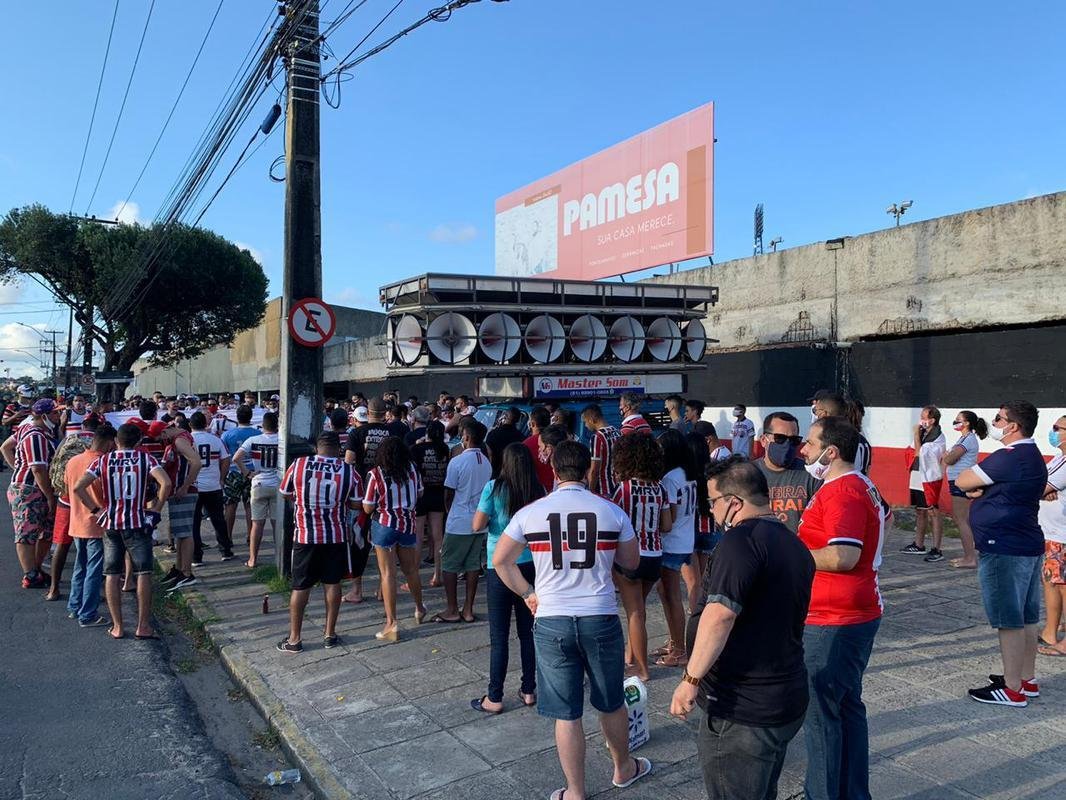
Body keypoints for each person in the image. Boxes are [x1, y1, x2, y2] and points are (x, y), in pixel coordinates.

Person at [494, 439, 650, 798]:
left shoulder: (531, 513)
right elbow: (631, 563)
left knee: (566, 712)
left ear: (553, 469)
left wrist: (527, 593)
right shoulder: (612, 512)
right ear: (588, 470)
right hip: (599, 614)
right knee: (610, 700)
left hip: (552, 618)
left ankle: (575, 790)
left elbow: (501, 560)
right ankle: (623, 768)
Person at [670, 457, 815, 800]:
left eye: (712, 503)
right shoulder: (793, 544)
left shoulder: (740, 542)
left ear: (733, 503)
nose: (712, 512)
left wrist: (690, 680)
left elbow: (720, 615)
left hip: (743, 709)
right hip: (784, 696)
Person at [798, 416, 885, 800]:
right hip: (847, 613)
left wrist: (791, 553)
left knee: (821, 718)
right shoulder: (854, 485)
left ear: (830, 452)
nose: (803, 450)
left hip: (834, 618)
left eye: (809, 443)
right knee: (845, 708)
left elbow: (843, 555)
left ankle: (824, 793)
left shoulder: (842, 492)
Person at [955, 401, 1047, 706]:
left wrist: (979, 489)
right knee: (1027, 616)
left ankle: (1011, 689)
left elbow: (963, 479)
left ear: (1013, 426)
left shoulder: (1010, 456)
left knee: (1009, 619)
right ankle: (1025, 678)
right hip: (1025, 541)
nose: (994, 422)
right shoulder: (1032, 456)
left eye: (999, 418)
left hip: (1004, 545)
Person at [73, 423, 171, 640]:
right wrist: (156, 509)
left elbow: (78, 487)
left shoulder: (103, 460)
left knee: (112, 574)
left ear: (116, 441)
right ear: (139, 442)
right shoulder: (146, 459)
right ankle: (143, 626)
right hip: (137, 521)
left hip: (112, 523)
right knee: (144, 572)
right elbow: (166, 482)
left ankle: (118, 626)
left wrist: (96, 510)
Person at [470, 443, 545, 713]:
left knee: (499, 635)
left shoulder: (494, 488)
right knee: (528, 632)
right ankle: (529, 689)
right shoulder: (538, 490)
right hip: (529, 565)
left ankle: (495, 696)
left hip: (499, 565)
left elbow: (477, 525)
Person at [276, 432, 363, 654]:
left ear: (317, 448)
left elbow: (285, 492)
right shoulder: (349, 471)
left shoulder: (299, 464)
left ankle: (294, 639)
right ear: (339, 449)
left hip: (305, 535)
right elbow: (356, 504)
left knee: (300, 586)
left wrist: (303, 500)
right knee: (332, 583)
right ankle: (329, 634)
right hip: (335, 535)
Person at [610, 433, 671, 681]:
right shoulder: (659, 488)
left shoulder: (624, 489)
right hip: (655, 555)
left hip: (630, 557)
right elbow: (666, 525)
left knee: (635, 613)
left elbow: (613, 523)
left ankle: (642, 669)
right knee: (640, 609)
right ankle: (631, 656)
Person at [363, 437, 426, 641]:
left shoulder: (375, 474)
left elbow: (368, 506)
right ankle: (419, 608)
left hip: (384, 525)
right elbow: (420, 494)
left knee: (387, 574)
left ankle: (391, 623)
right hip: (407, 524)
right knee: (411, 571)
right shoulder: (412, 470)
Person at [436, 419, 492, 623]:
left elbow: (448, 494)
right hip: (480, 520)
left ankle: (452, 608)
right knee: (472, 565)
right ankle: (467, 608)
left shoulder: (457, 461)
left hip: (459, 520)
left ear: (466, 437)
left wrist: (449, 513)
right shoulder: (486, 462)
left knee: (449, 565)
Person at [2, 398, 59, 588]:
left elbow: (5, 447)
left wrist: (17, 467)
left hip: (34, 488)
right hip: (30, 489)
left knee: (45, 531)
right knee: (26, 533)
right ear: (44, 415)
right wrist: (49, 495)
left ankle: (36, 569)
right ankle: (30, 574)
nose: (58, 416)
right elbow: (37, 469)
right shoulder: (36, 435)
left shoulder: (30, 429)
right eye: (55, 413)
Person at [65, 423, 115, 627]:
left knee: (80, 567)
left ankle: (74, 606)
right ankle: (88, 614)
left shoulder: (73, 461)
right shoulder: (102, 463)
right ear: (109, 442)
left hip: (76, 521)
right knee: (94, 570)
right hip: (96, 523)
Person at [655, 429, 698, 668]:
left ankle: (680, 649)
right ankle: (675, 642)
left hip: (671, 543)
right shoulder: (686, 474)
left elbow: (667, 521)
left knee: (671, 596)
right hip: (685, 539)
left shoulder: (670, 478)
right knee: (667, 594)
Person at [754, 411, 821, 533]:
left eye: (794, 440)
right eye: (780, 438)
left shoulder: (811, 474)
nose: (787, 444)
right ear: (764, 440)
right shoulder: (748, 474)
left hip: (798, 549)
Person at [156, 422, 202, 591]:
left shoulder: (179, 441)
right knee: (180, 533)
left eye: (160, 437)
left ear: (165, 431)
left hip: (184, 491)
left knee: (185, 533)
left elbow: (196, 463)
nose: (160, 441)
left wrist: (184, 486)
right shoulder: (178, 439)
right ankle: (180, 568)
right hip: (180, 491)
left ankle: (187, 572)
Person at [45, 430, 91, 600]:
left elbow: (55, 463)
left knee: (61, 545)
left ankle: (53, 589)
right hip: (88, 501)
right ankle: (86, 594)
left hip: (65, 499)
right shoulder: (98, 443)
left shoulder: (69, 439)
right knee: (89, 548)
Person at [234, 411, 280, 569]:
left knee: (257, 524)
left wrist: (247, 473)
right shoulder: (282, 439)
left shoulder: (253, 440)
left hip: (259, 483)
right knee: (277, 524)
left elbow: (236, 458)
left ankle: (253, 559)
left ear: (263, 425)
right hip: (277, 484)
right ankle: (279, 558)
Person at [901, 406, 947, 561]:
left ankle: (937, 548)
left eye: (924, 416)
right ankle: (919, 544)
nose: (921, 420)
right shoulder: (922, 433)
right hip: (916, 474)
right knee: (920, 510)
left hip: (929, 477)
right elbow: (911, 452)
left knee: (933, 511)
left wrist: (915, 434)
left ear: (932, 420)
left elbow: (919, 454)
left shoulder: (938, 437)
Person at [942, 410, 987, 569]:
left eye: (958, 420)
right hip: (958, 479)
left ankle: (970, 558)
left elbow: (950, 458)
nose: (955, 422)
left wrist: (947, 456)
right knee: (962, 519)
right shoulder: (964, 438)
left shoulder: (968, 439)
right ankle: (969, 555)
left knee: (961, 520)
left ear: (967, 423)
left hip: (960, 480)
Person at [189, 411, 234, 563]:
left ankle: (196, 556)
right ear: (206, 424)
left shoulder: (187, 440)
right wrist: (221, 478)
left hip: (194, 486)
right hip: (213, 485)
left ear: (190, 425)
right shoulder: (215, 439)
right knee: (218, 519)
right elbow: (226, 459)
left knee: (194, 523)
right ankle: (225, 551)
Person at [1038, 414, 1066, 657]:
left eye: (1058, 428)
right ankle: (1050, 630)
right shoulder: (1060, 458)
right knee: (1051, 582)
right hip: (1054, 532)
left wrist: (1042, 489)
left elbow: (1038, 485)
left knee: (1062, 586)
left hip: (1062, 535)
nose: (1053, 431)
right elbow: (1042, 483)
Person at [410, 420, 449, 588]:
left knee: (418, 536)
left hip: (421, 495)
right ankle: (437, 575)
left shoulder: (417, 449)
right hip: (438, 494)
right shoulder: (444, 449)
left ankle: (414, 576)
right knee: (438, 536)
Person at [222, 404, 258, 547]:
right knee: (250, 505)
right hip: (252, 472)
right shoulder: (257, 434)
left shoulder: (227, 435)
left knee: (230, 505)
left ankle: (228, 537)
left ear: (237, 417)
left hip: (233, 472)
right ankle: (250, 535)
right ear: (251, 417)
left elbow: (224, 457)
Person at [583, 403, 621, 498]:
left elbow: (594, 470)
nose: (586, 425)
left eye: (585, 421)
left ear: (592, 419)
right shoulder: (617, 432)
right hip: (618, 487)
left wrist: (590, 492)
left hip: (604, 489)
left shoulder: (597, 437)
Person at [523, 406, 555, 492]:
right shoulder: (557, 441)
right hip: (558, 489)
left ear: (532, 424)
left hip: (536, 492)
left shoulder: (525, 445)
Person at [485, 406, 524, 476]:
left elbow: (489, 454)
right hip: (514, 474)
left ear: (504, 417)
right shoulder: (521, 437)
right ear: (518, 420)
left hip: (495, 473)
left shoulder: (493, 434)